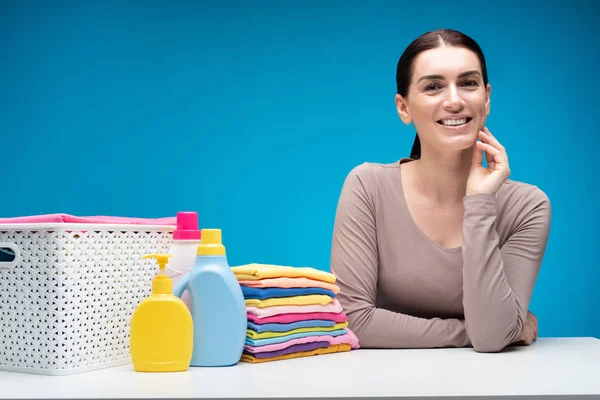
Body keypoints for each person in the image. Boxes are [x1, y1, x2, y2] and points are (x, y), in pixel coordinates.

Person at [330, 29, 551, 353]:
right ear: (403, 108)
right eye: (433, 86)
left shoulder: (528, 207)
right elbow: (353, 320)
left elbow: (490, 339)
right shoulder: (368, 186)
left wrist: (480, 202)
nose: (454, 100)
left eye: (468, 83)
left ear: (486, 98)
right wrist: (483, 331)